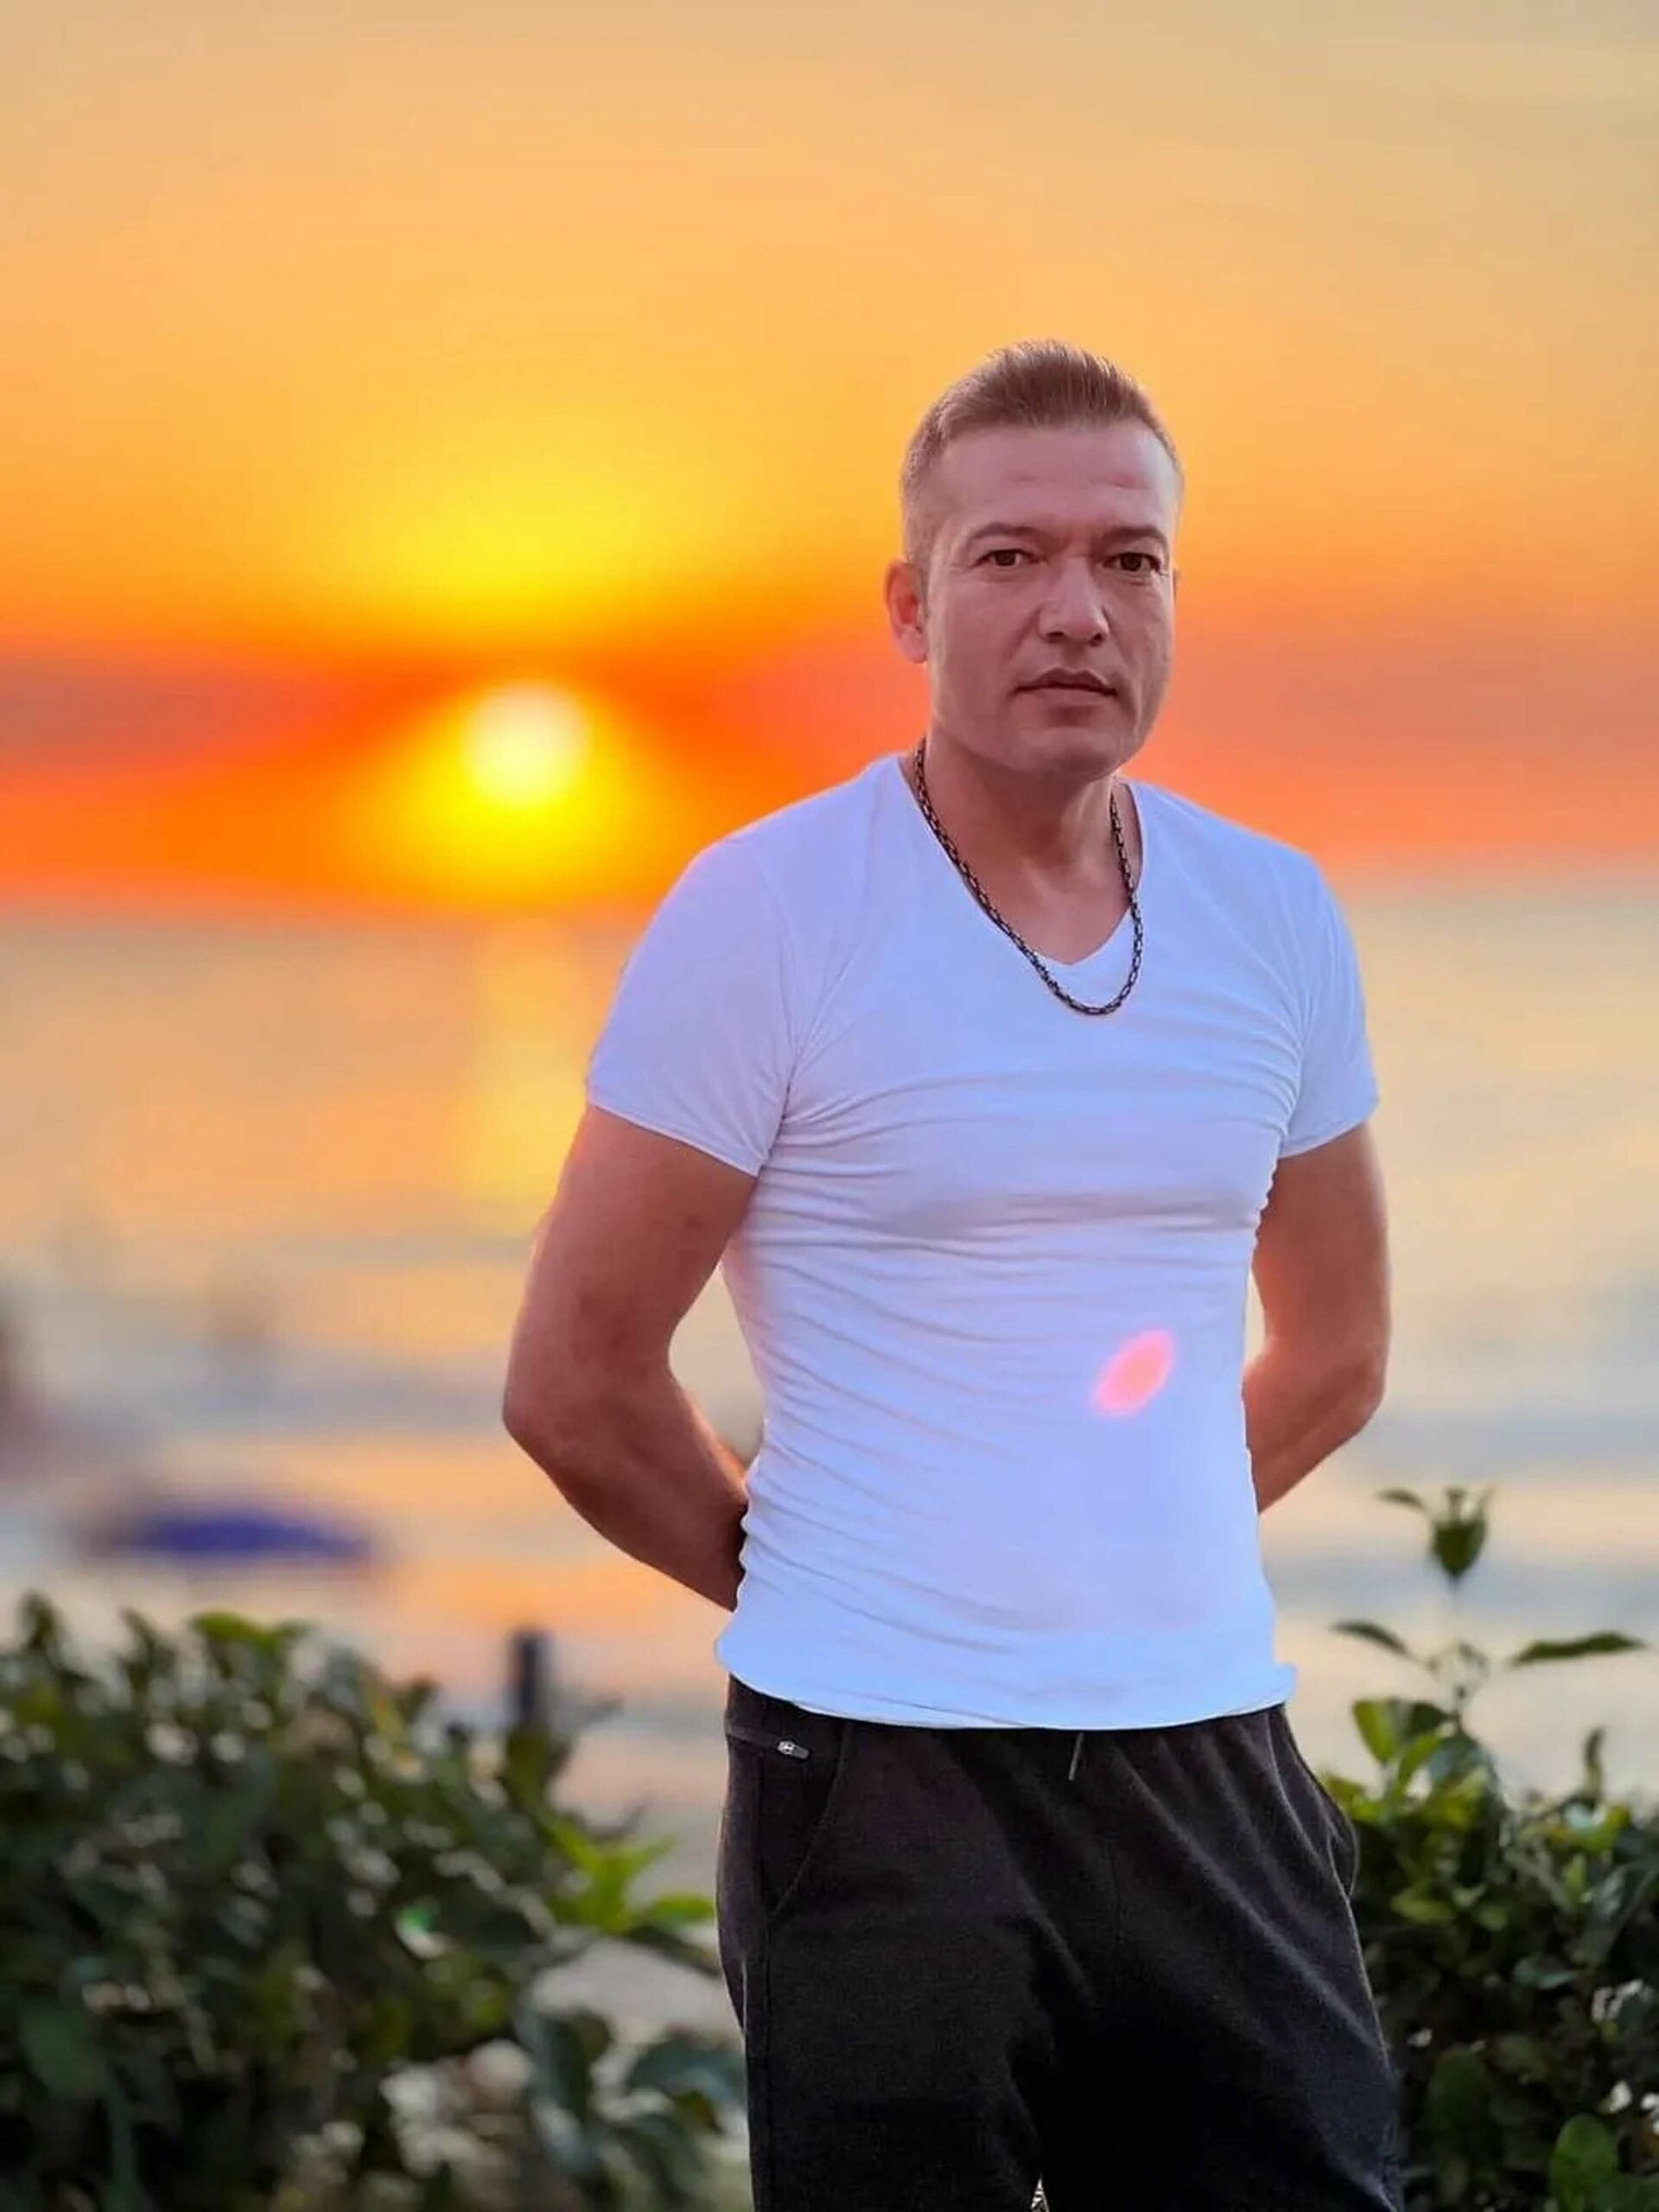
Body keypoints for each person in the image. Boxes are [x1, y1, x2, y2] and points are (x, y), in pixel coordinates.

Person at [503, 339, 1402, 2209]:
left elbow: (1336, 1347)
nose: (1078, 609)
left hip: (1206, 1753)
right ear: (912, 608)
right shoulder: (769, 912)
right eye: (1011, 557)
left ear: (1174, 597)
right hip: (875, 1779)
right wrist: (835, 1571)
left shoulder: (1273, 915)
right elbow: (576, 1380)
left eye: (1129, 559)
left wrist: (1116, 1541)